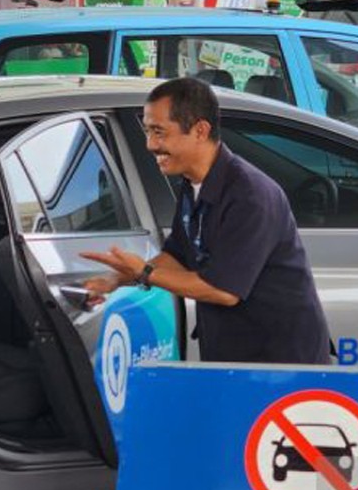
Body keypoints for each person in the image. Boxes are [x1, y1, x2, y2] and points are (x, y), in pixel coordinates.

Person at [82, 77, 331, 364]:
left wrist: (144, 274)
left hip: (280, 361)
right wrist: (115, 279)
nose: (150, 145)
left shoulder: (250, 195)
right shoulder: (194, 183)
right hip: (233, 353)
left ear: (200, 130)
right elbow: (178, 256)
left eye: (159, 132)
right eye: (148, 131)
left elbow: (224, 290)